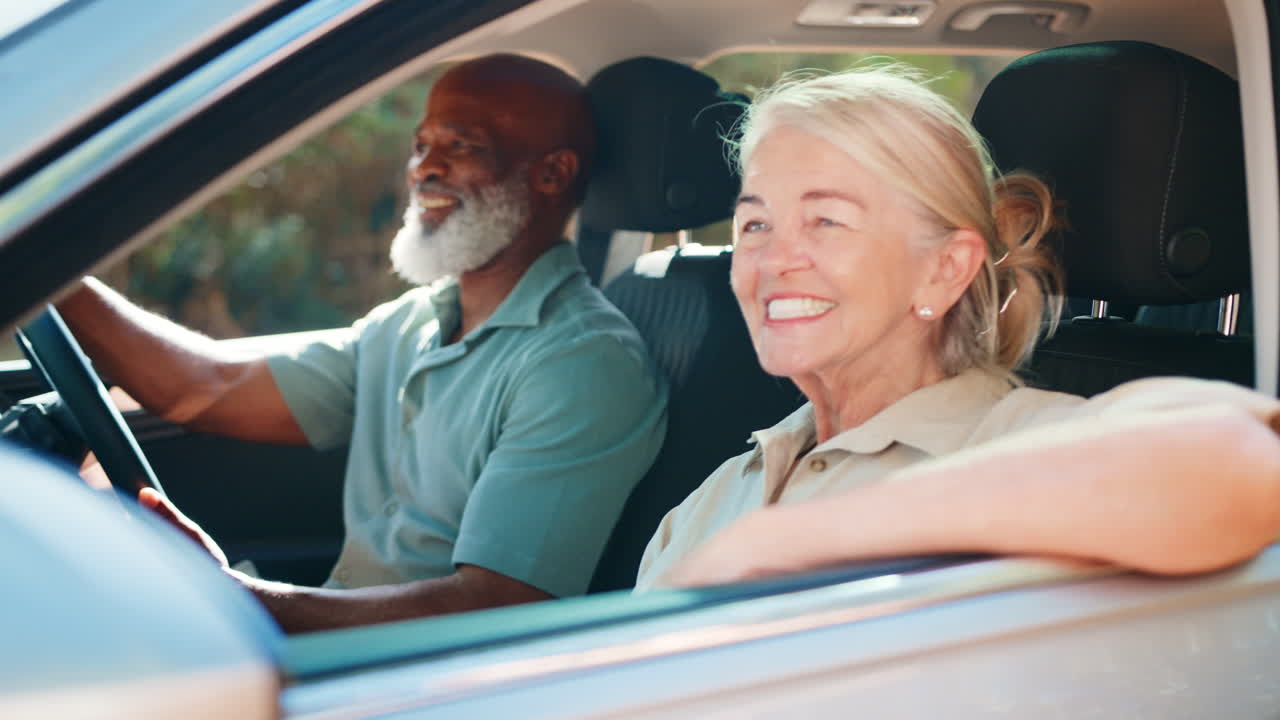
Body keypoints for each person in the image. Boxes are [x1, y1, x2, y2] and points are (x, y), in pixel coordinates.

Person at [59, 54, 669, 632]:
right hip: (325, 647)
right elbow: (205, 388)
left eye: (461, 146)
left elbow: (493, 606)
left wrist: (242, 602)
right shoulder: (410, 323)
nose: (425, 167)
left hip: (415, 684)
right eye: (422, 144)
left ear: (552, 174)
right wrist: (50, 273)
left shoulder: (582, 364)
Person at [634, 66, 1280, 590]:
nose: (773, 259)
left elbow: (1250, 461)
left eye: (826, 220)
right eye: (755, 224)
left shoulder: (1033, 439)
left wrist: (791, 542)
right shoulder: (712, 500)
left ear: (945, 270)